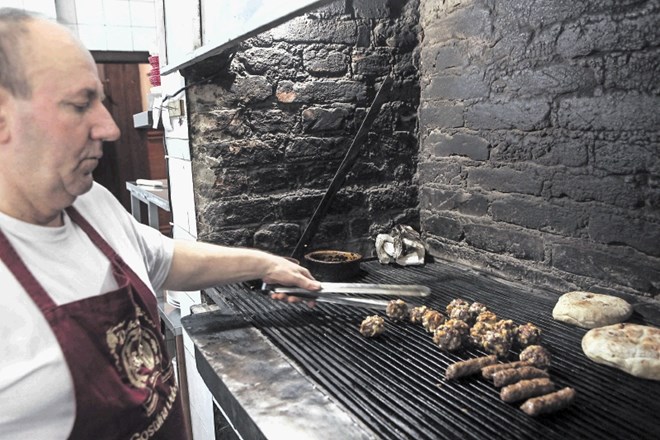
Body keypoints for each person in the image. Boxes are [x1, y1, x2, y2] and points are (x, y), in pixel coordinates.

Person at [0, 8, 320, 439]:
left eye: (101, 101)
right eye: (79, 105)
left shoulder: (92, 203)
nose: (109, 128)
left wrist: (264, 263)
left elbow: (165, 260)